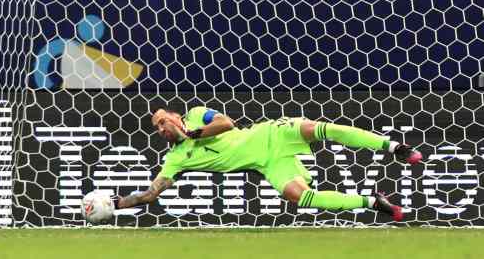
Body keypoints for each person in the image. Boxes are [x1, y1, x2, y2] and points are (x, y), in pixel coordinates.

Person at [113, 106, 423, 221]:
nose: (160, 128)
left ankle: (394, 146)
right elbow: (151, 194)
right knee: (299, 196)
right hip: (267, 163)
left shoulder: (196, 115)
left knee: (322, 129)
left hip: (271, 134)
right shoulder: (175, 159)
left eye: (162, 121)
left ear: (176, 118)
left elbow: (227, 123)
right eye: (156, 127)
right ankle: (372, 202)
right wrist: (117, 203)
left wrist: (194, 132)